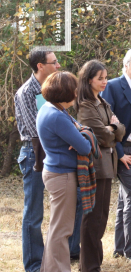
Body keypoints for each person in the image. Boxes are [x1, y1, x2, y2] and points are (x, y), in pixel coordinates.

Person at [14, 48, 81, 272]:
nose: (58, 66)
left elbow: (69, 123)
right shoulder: (26, 92)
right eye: (54, 62)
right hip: (34, 153)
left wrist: (73, 134)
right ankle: (34, 265)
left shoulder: (54, 89)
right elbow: (39, 130)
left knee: (69, 208)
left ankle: (65, 255)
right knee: (34, 214)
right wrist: (70, 137)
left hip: (55, 154)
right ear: (40, 66)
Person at [36, 71, 93, 272]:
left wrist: (79, 135)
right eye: (74, 89)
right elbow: (85, 147)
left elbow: (80, 134)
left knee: (57, 228)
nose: (77, 93)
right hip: (63, 176)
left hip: (56, 173)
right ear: (66, 92)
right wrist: (82, 136)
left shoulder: (50, 109)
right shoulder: (56, 116)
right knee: (62, 230)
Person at [101, 47, 131, 261]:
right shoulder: (112, 86)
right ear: (125, 65)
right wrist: (119, 153)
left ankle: (120, 249)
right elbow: (106, 123)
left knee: (126, 201)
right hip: (125, 151)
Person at [75, 60, 126, 272]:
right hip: (96, 167)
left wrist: (113, 128)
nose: (105, 81)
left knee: (101, 217)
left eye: (106, 77)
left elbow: (119, 131)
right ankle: (89, 265)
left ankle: (94, 262)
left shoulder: (103, 102)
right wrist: (113, 127)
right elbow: (103, 137)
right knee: (93, 218)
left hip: (107, 166)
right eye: (100, 78)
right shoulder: (86, 105)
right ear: (89, 80)